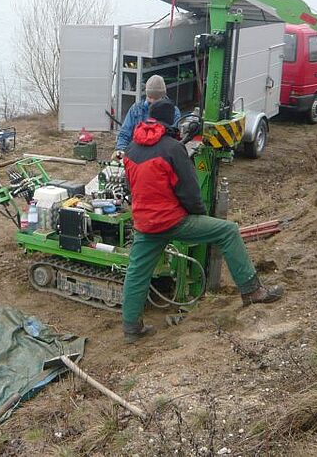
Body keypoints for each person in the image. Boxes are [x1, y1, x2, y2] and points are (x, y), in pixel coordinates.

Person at [121, 99, 283, 343]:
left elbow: (130, 188)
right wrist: (198, 213)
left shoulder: (132, 149)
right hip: (173, 221)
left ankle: (131, 329)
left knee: (136, 273)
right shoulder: (173, 149)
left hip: (145, 224)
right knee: (228, 231)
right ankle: (253, 290)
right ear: (170, 122)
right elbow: (189, 191)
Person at [114, 74, 181, 156]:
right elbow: (124, 134)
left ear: (163, 96)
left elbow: (174, 141)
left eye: (156, 99)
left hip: (160, 157)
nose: (152, 101)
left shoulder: (173, 112)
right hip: (136, 155)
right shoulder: (136, 109)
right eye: (149, 97)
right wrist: (121, 150)